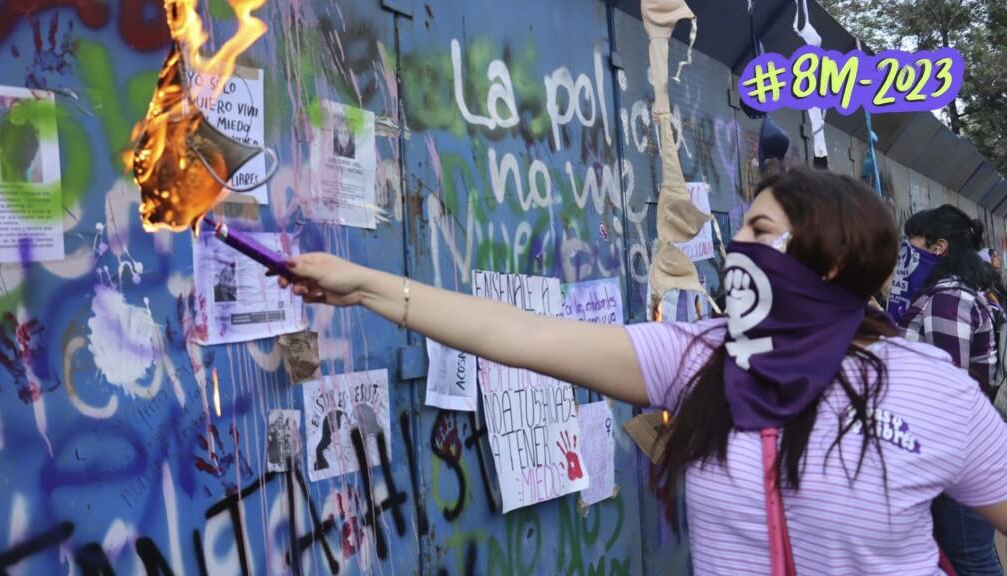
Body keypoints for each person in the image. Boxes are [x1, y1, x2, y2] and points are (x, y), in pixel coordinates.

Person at [278, 167, 1007, 575]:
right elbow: (523, 334)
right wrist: (367, 285)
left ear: (835, 257)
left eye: (758, 231)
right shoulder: (699, 357)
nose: (737, 252)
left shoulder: (928, 386)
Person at [897, 205, 1002, 576]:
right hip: (960, 452)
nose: (905, 252)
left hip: (956, 458)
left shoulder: (948, 297)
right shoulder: (954, 291)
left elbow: (948, 387)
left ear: (938, 247)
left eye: (912, 243)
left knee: (971, 562)